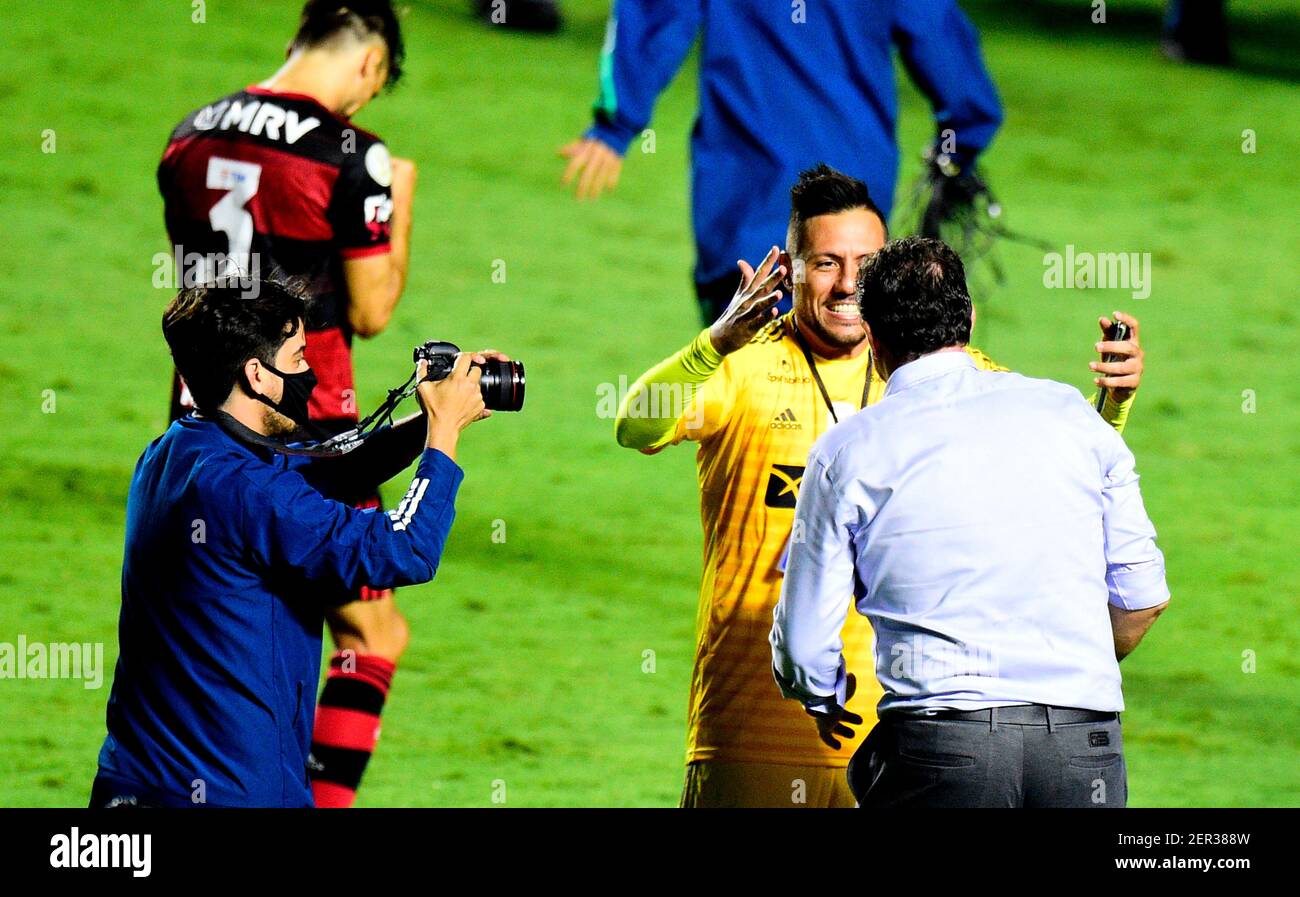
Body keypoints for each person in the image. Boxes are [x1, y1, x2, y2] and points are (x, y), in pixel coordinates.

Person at [614, 165, 1146, 807]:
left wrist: (1110, 407)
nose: (847, 286)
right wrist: (715, 342)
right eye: (826, 263)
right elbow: (634, 426)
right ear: (791, 270)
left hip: (906, 730)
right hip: (754, 726)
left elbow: (1043, 471)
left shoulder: (948, 370)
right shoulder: (744, 366)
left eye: (864, 265)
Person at [771, 237, 1170, 808]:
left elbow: (805, 650)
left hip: (942, 748)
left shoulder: (846, 452)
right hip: (1086, 751)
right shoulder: (1074, 417)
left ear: (873, 340)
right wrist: (1061, 669)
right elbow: (1142, 599)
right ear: (971, 318)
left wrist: (818, 695)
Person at [92, 281, 495, 807]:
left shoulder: (172, 453)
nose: (311, 374)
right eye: (299, 357)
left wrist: (431, 417)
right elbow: (406, 548)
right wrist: (444, 438)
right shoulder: (251, 491)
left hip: (132, 788)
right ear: (258, 375)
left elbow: (317, 469)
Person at [156, 0, 418, 806]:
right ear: (369, 65)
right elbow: (372, 313)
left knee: (224, 623)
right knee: (370, 631)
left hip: (198, 424)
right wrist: (400, 199)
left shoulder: (190, 135)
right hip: (310, 432)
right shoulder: (353, 155)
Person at [560, 0, 1002, 323]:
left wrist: (616, 124)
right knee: (840, 408)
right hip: (851, 219)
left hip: (743, 210)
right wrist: (959, 144)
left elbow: (653, 15)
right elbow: (944, 46)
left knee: (742, 412)